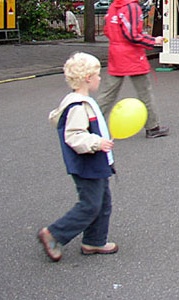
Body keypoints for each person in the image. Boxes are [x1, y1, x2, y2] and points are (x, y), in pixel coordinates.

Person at [38, 52, 117, 262]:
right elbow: (74, 136)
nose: (101, 79)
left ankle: (94, 240)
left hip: (96, 162)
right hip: (87, 164)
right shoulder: (77, 106)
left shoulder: (84, 101)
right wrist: (97, 143)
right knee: (90, 204)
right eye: (98, 75)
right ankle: (54, 234)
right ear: (88, 78)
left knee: (103, 203)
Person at [98, 0, 169, 139]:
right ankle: (152, 126)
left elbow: (108, 30)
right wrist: (154, 41)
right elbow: (133, 35)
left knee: (108, 94)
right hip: (132, 56)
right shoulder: (132, 7)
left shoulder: (115, 5)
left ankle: (90, 123)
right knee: (144, 92)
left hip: (116, 54)